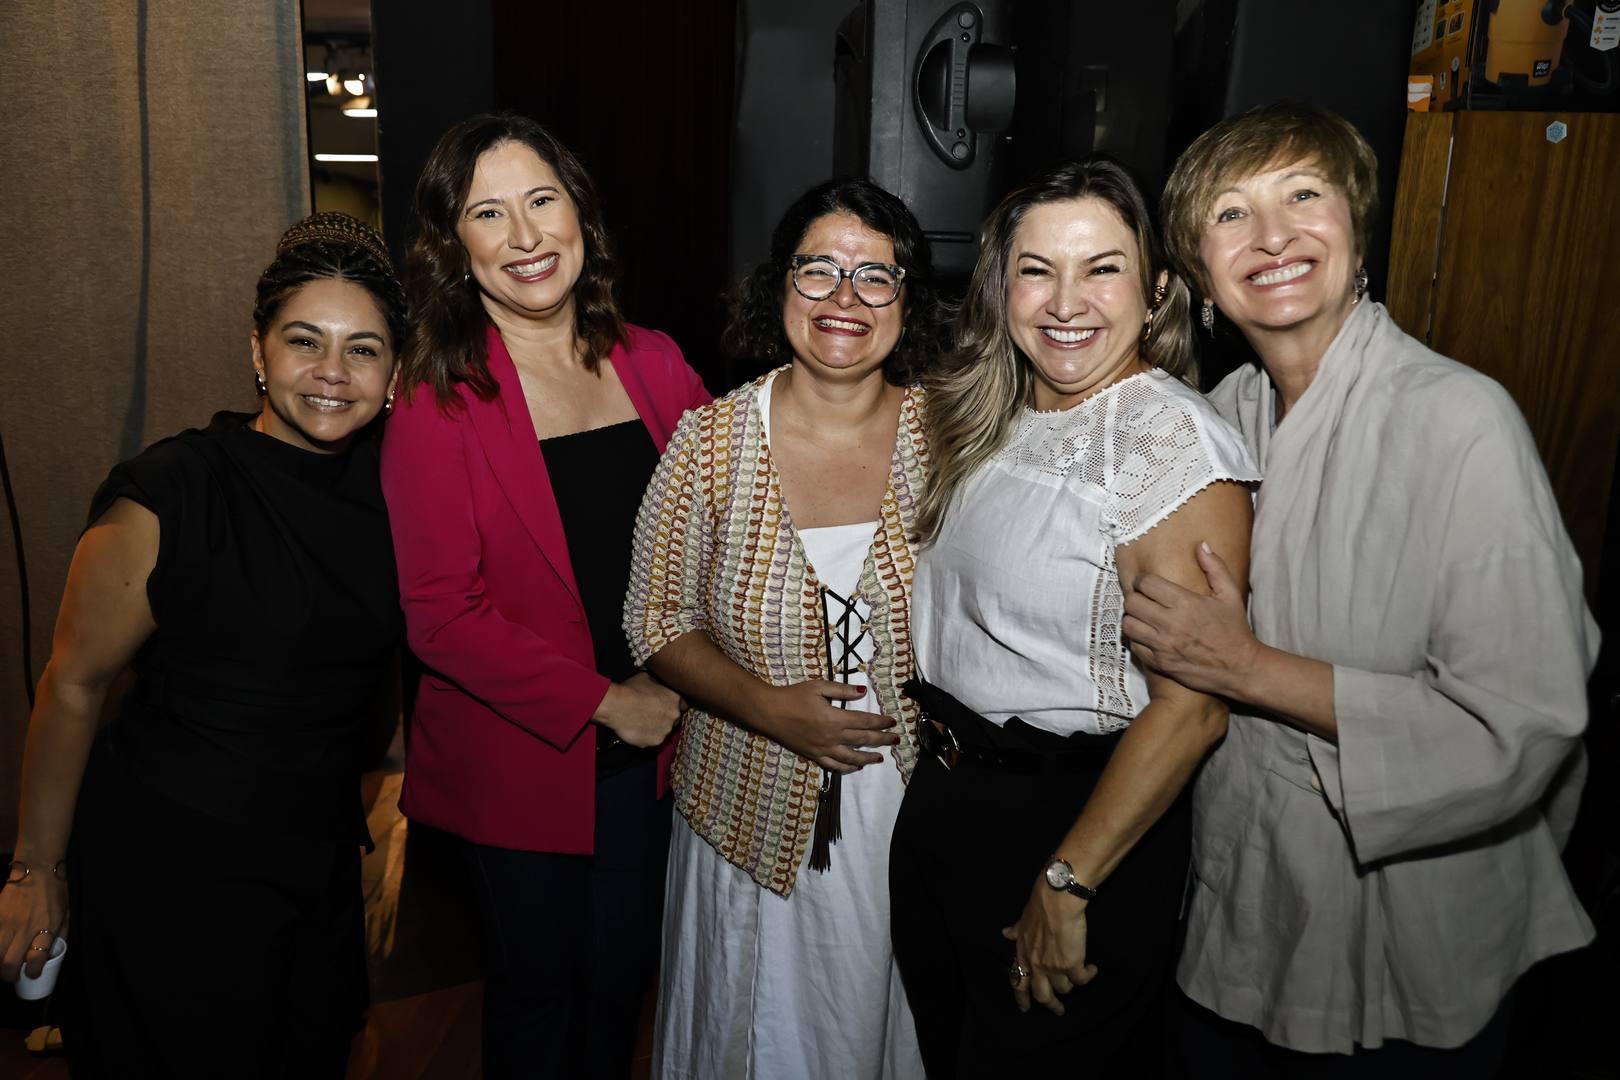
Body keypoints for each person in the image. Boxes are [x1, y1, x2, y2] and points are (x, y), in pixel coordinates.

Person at [1123, 102, 1598, 1077]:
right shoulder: (1217, 420)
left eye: (1304, 195)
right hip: (1244, 900)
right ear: (1200, 275)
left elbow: (1525, 719)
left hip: (1408, 930)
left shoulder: (1461, 420)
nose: (1272, 236)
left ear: (1358, 229)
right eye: (1231, 213)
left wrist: (1248, 669)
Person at [0, 212, 406, 1077]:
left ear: (395, 372)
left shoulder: (401, 493)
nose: (333, 372)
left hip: (315, 868)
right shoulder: (173, 491)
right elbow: (73, 684)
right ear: (258, 351)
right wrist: (35, 872)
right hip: (171, 869)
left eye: (363, 349)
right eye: (304, 341)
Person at [889, 158, 1259, 1077]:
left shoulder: (1169, 442)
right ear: (1001, 286)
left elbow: (1194, 708)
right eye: (1037, 269)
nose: (1065, 302)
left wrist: (1067, 881)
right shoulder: (991, 411)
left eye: (1102, 268)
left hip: (1073, 822)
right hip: (951, 796)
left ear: (1158, 289)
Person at [380, 113, 708, 1078]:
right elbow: (440, 614)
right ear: (455, 245)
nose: (524, 236)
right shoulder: (437, 400)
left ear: (580, 214)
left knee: (618, 988)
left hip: (659, 750)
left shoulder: (656, 362)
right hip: (522, 761)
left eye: (541, 200)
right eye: (488, 213)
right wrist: (607, 701)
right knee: (538, 1002)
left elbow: (726, 527)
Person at [624, 177, 950, 1079]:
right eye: (819, 270)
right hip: (746, 804)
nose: (846, 297)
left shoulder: (955, 438)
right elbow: (654, 619)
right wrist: (770, 709)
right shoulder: (708, 443)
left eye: (876, 276)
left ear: (907, 303)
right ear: (780, 287)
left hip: (909, 811)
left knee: (878, 1024)